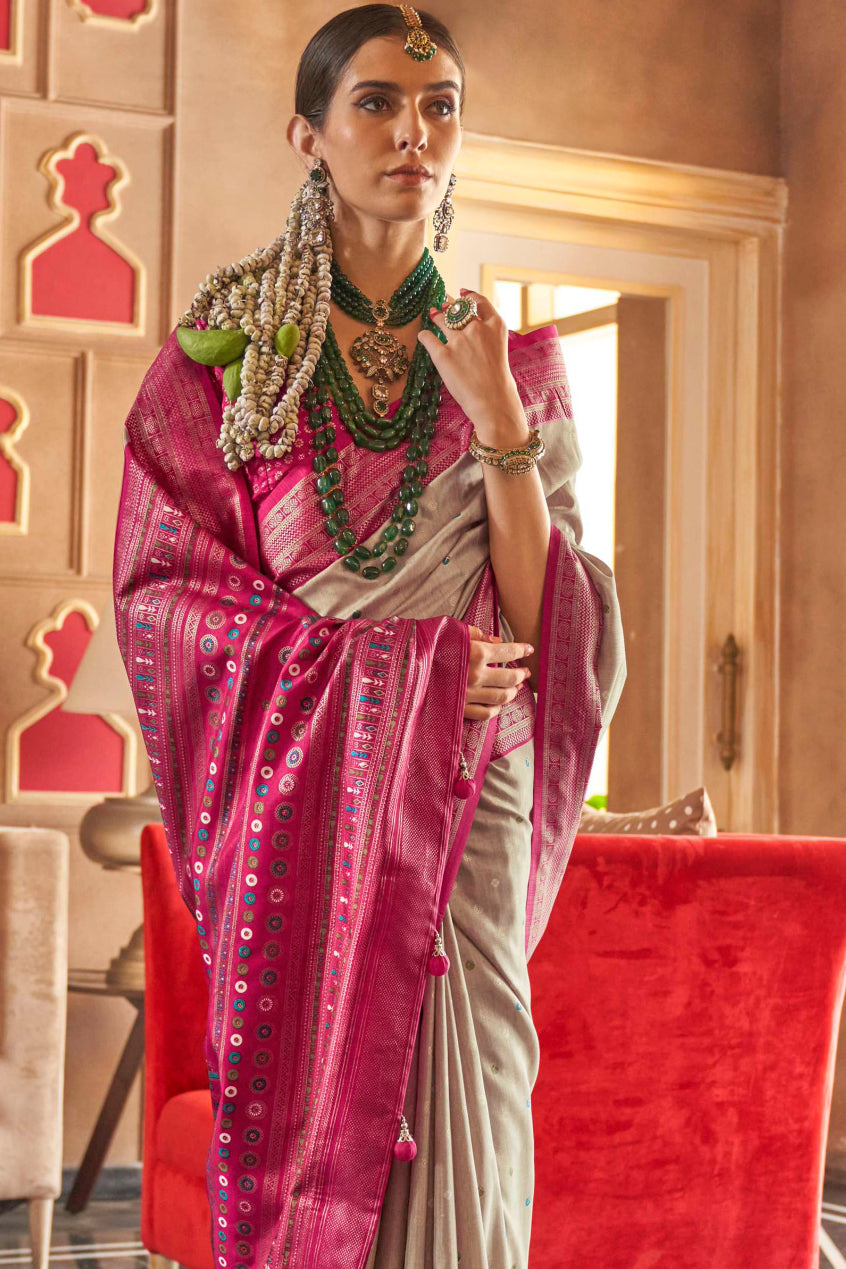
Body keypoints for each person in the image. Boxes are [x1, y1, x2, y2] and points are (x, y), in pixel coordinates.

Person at [112, 5, 626, 1267]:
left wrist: (499, 419)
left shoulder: (511, 363)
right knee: (313, 1115)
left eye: (440, 106)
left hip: (471, 793)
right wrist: (400, 677)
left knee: (477, 1101)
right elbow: (167, 600)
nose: (414, 133)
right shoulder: (232, 367)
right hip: (314, 798)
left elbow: (547, 615)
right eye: (379, 104)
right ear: (310, 136)